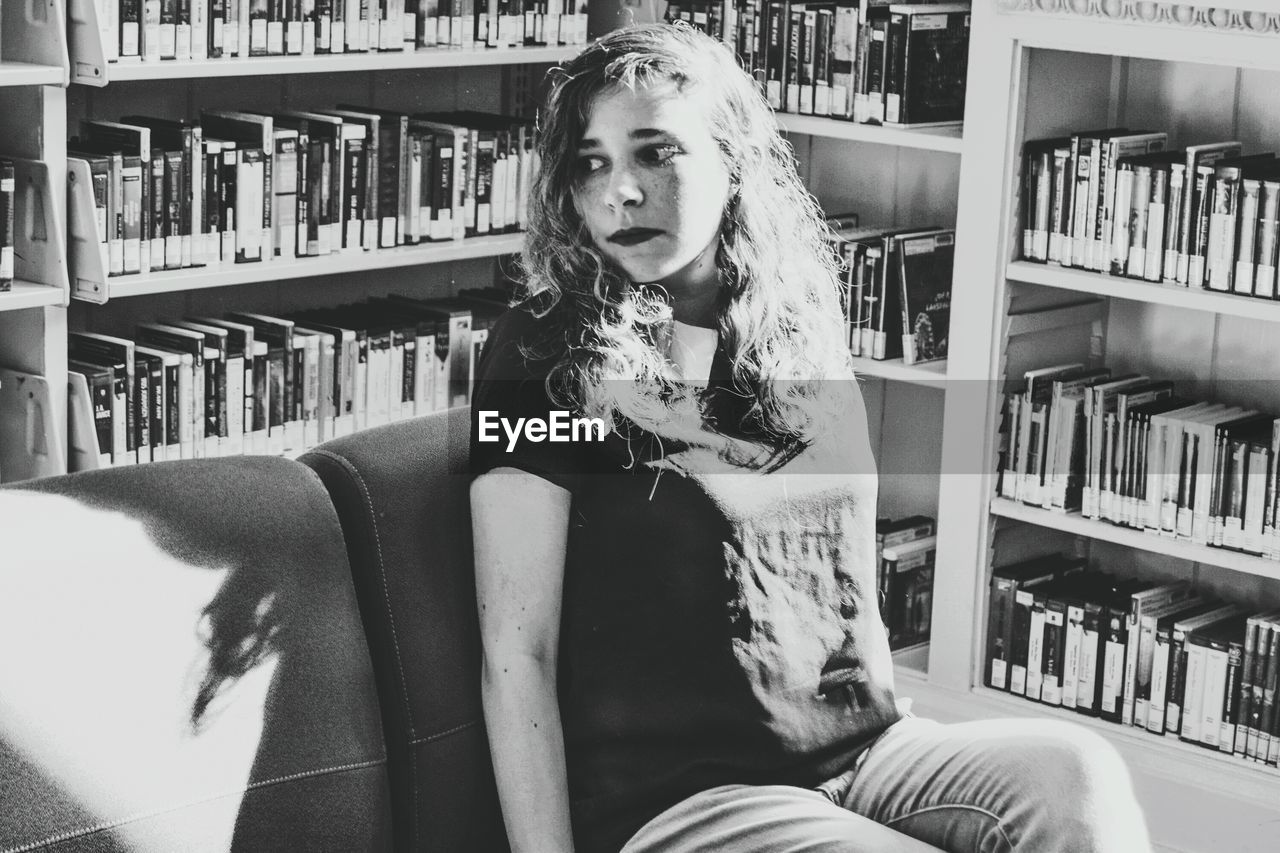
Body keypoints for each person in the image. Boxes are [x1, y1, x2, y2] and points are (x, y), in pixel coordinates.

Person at [469, 22, 1152, 853]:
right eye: (592, 163)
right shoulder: (542, 350)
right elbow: (517, 655)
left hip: (864, 750)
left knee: (1077, 772)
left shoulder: (795, 322)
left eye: (656, 152)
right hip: (687, 792)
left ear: (733, 159)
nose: (621, 191)